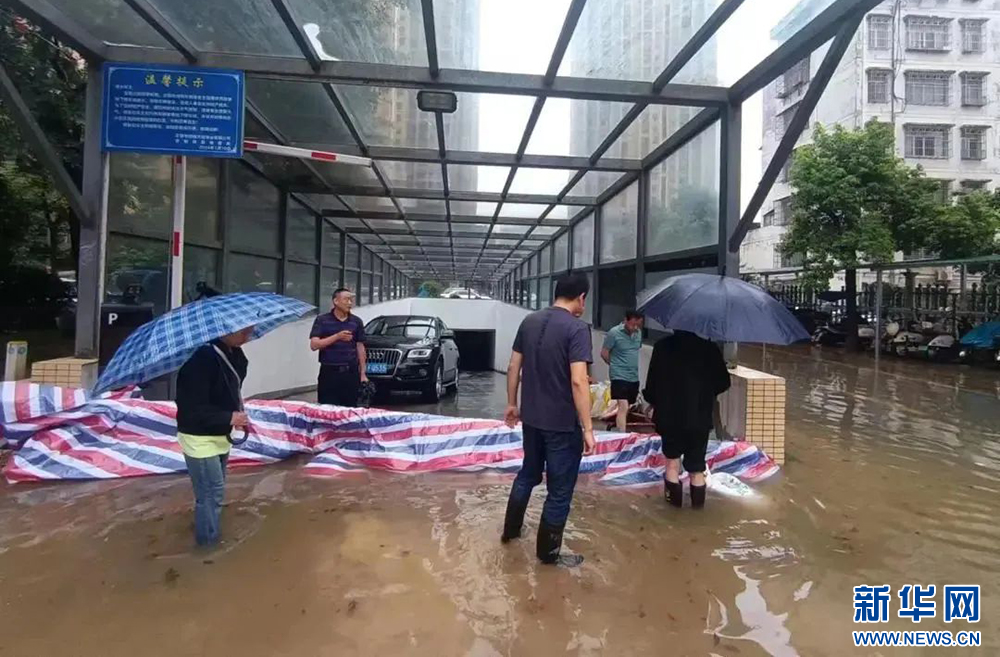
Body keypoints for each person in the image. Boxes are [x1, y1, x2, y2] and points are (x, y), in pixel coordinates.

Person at [501, 273, 595, 567]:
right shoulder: (577, 329)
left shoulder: (529, 322)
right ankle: (548, 554)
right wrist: (589, 429)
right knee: (560, 490)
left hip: (532, 419)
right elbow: (579, 382)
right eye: (585, 300)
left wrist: (511, 404)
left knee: (528, 474)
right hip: (561, 424)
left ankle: (510, 532)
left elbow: (513, 366)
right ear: (581, 297)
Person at [175, 326, 253, 547]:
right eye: (243, 332)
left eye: (250, 331)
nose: (248, 336)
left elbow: (232, 388)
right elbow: (192, 409)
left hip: (220, 434)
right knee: (211, 494)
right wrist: (230, 417)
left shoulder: (233, 354)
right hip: (199, 438)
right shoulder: (199, 361)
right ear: (225, 330)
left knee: (215, 491)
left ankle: (208, 527)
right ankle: (207, 545)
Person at [642, 330, 731, 510]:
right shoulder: (710, 349)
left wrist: (652, 402)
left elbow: (652, 383)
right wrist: (705, 392)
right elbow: (723, 382)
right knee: (697, 469)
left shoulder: (662, 346)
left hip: (669, 417)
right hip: (699, 418)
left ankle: (672, 512)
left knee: (672, 464)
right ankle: (697, 513)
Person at [309, 288, 368, 407]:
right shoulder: (322, 320)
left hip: (350, 373)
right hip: (330, 372)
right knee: (327, 410)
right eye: (346, 299)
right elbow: (314, 345)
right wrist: (337, 337)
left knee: (349, 410)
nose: (350, 303)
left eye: (351, 300)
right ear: (336, 301)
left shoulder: (356, 322)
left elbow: (360, 347)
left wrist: (362, 373)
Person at [600, 310, 644, 432]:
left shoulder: (638, 333)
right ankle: (622, 435)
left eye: (638, 325)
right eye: (633, 324)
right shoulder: (614, 333)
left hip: (633, 376)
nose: (635, 328)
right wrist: (614, 365)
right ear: (625, 320)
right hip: (619, 375)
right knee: (623, 406)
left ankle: (614, 420)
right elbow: (604, 353)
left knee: (628, 405)